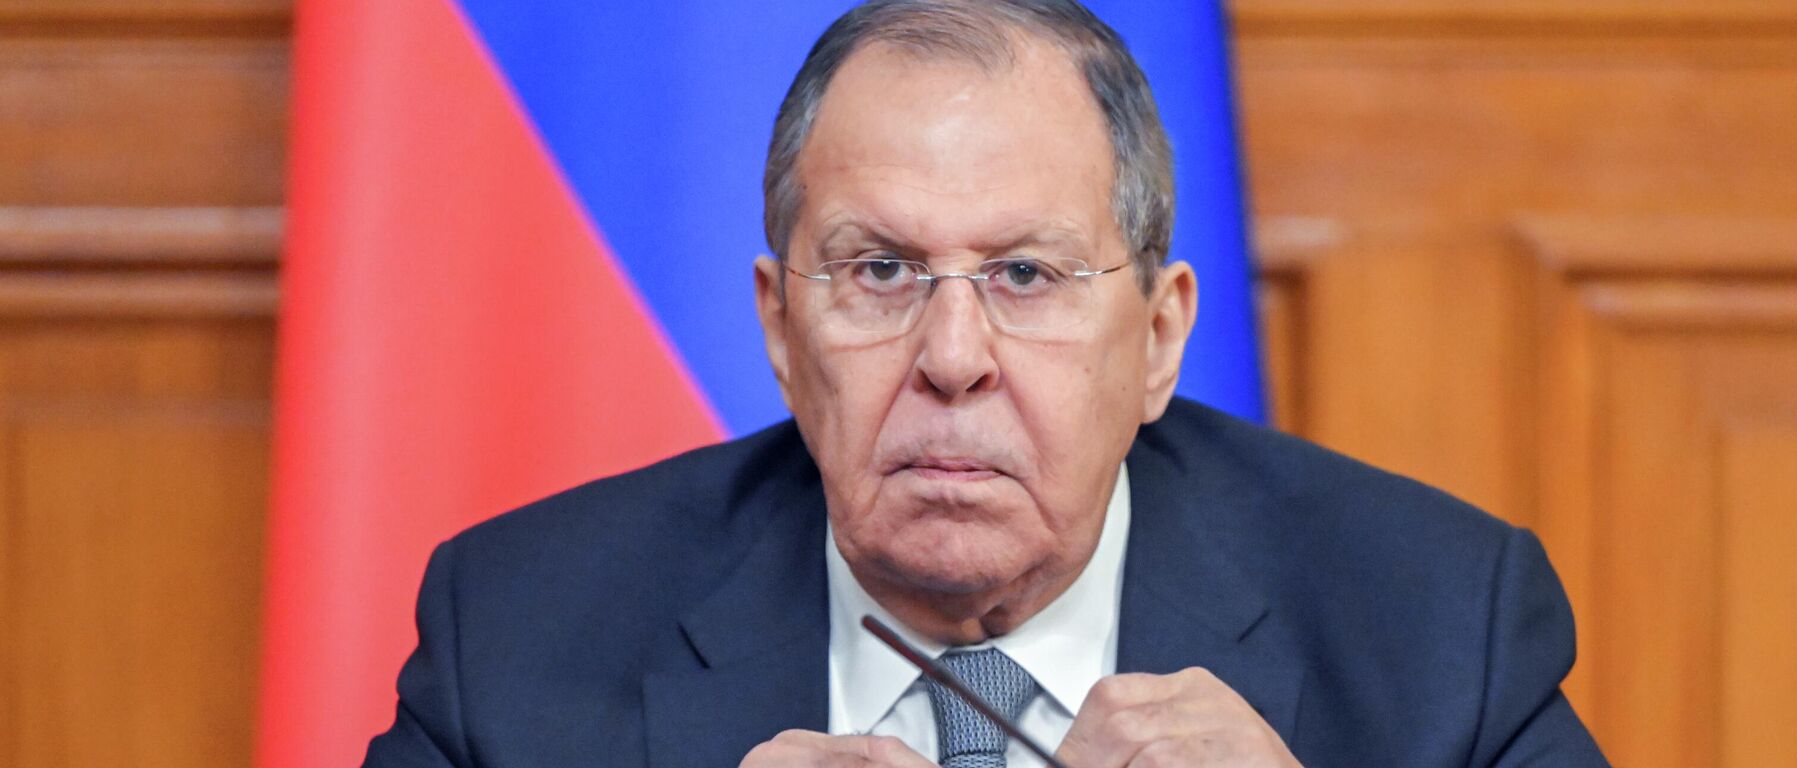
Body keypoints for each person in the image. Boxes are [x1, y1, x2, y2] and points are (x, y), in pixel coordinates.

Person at [363, 1, 1609, 766]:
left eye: (1025, 274)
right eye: (881, 271)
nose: (953, 359)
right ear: (782, 329)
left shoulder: (1436, 630)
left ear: (1160, 336)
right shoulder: (520, 632)